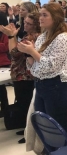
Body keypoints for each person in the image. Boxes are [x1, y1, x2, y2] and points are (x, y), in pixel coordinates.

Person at [17, 3, 67, 130]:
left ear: (55, 18)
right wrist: (29, 54)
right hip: (41, 84)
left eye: (44, 15)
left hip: (57, 86)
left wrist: (33, 52)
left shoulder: (63, 38)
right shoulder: (43, 37)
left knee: (57, 130)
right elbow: (35, 67)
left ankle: (61, 150)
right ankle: (50, 151)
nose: (40, 18)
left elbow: (51, 66)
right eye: (40, 15)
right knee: (44, 127)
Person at [0, 12, 39, 143]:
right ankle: (26, 129)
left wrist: (11, 35)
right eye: (25, 23)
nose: (25, 25)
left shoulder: (31, 38)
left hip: (25, 76)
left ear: (36, 25)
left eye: (29, 24)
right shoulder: (28, 36)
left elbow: (13, 52)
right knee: (24, 105)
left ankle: (29, 132)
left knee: (27, 105)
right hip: (23, 75)